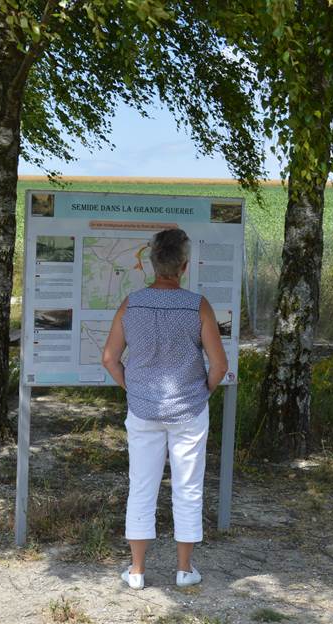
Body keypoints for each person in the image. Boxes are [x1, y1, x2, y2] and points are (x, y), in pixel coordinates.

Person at [100, 228, 228, 590]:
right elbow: (219, 365)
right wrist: (202, 392)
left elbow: (109, 358)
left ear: (152, 264)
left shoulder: (131, 304)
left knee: (141, 484)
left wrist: (133, 388)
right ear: (184, 266)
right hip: (189, 410)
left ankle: (137, 571)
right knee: (188, 487)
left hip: (143, 410)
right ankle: (185, 570)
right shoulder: (197, 306)